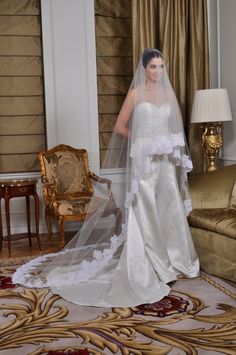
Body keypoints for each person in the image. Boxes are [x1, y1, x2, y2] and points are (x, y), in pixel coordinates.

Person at [13, 48, 199, 307]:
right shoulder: (136, 94)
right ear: (144, 68)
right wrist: (143, 140)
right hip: (145, 164)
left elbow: (175, 127)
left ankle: (178, 260)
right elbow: (121, 127)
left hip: (165, 163)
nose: (158, 71)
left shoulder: (168, 93)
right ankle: (155, 263)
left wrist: (166, 142)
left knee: (169, 209)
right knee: (145, 210)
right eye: (153, 67)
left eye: (161, 67)